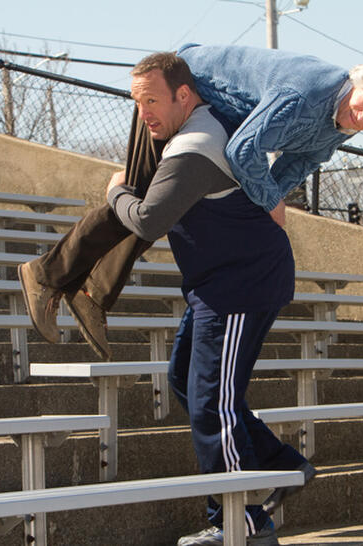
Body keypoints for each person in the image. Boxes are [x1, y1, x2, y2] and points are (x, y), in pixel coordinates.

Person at [18, 43, 363, 363]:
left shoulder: (342, 122)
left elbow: (304, 160)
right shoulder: (307, 93)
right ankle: (44, 275)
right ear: (358, 82)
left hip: (217, 114)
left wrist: (268, 200)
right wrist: (269, 199)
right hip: (176, 87)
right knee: (140, 198)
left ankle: (92, 295)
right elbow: (244, 151)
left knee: (154, 210)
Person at [105, 50, 304, 546]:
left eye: (152, 100)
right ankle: (280, 464)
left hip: (241, 285)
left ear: (184, 95)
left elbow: (149, 220)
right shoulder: (194, 126)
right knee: (184, 382)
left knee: (212, 403)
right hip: (217, 286)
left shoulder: (194, 146)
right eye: (137, 102)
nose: (144, 112)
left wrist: (115, 192)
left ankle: (239, 520)